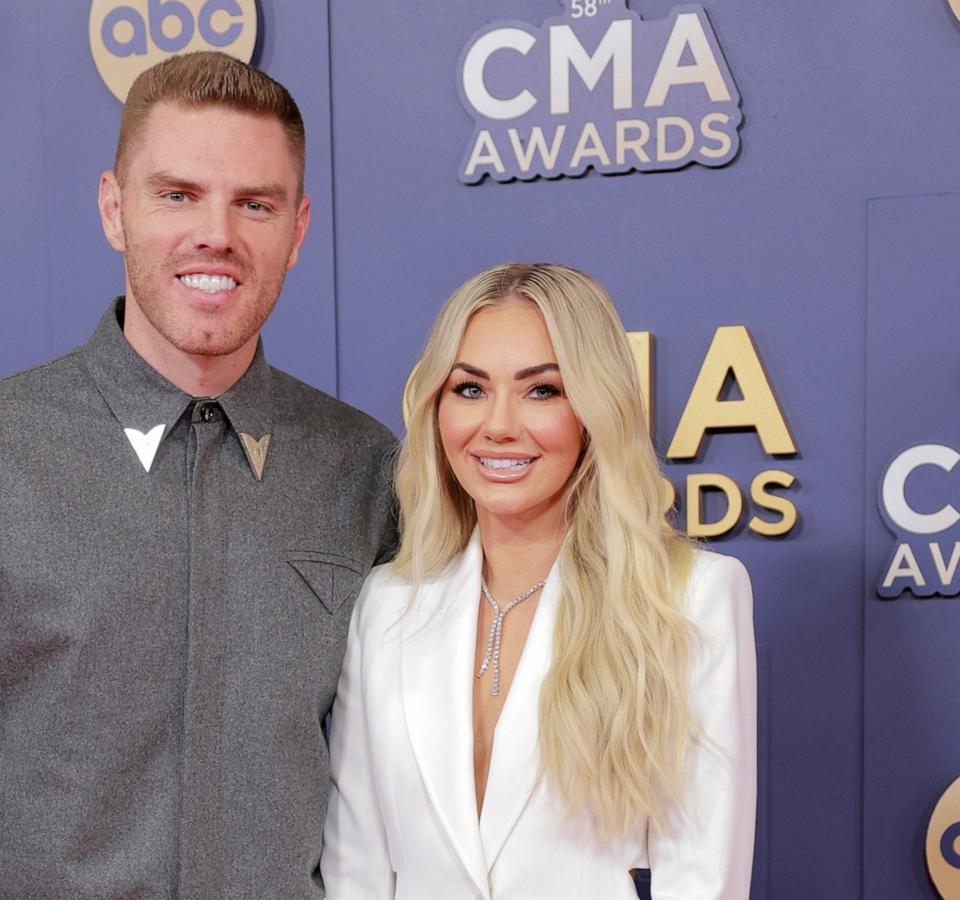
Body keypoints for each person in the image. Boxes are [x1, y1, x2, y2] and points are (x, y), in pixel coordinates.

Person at [0, 52, 396, 898]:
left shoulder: (369, 474)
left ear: (297, 230)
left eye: (254, 204)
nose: (217, 235)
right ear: (113, 209)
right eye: (177, 194)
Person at [322, 263, 756, 899]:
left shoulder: (691, 596)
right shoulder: (389, 605)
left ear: (593, 409)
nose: (498, 425)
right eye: (470, 389)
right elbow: (355, 868)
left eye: (542, 390)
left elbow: (702, 877)